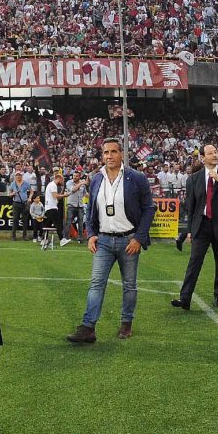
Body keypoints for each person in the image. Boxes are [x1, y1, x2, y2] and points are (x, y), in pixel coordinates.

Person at [67, 138, 156, 343]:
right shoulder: (96, 178)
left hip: (129, 241)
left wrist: (139, 238)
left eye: (114, 152)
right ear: (102, 155)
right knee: (96, 284)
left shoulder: (136, 177)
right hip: (104, 241)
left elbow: (149, 209)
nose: (109, 156)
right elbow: (90, 210)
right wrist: (91, 234)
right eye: (106, 152)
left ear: (121, 154)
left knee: (130, 285)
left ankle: (126, 323)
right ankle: (88, 328)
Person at [172, 144, 218, 310]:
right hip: (201, 225)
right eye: (210, 153)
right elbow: (191, 206)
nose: (215, 155)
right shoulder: (194, 178)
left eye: (216, 152)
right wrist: (189, 230)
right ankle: (185, 298)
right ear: (203, 158)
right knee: (194, 262)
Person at [44, 171, 65, 248]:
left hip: (49, 207)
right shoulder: (53, 185)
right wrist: (64, 195)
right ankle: (62, 239)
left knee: (47, 225)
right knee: (58, 223)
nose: (62, 181)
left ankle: (44, 239)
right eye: (62, 180)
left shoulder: (51, 185)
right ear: (58, 178)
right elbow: (55, 196)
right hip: (51, 207)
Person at [7, 171, 30, 240]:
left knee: (25, 220)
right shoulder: (13, 184)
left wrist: (30, 198)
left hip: (24, 203)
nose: (18, 176)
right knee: (15, 220)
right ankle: (13, 236)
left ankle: (24, 236)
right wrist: (13, 193)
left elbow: (31, 191)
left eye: (19, 175)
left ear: (21, 176)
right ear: (15, 176)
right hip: (16, 203)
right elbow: (9, 194)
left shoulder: (26, 183)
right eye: (17, 175)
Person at [64, 171, 87, 244]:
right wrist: (81, 183)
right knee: (68, 222)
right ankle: (66, 238)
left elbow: (85, 193)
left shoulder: (83, 185)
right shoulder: (69, 182)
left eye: (76, 176)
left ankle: (80, 238)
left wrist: (92, 197)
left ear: (79, 176)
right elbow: (73, 190)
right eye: (74, 175)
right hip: (71, 205)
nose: (74, 177)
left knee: (80, 223)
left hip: (80, 206)